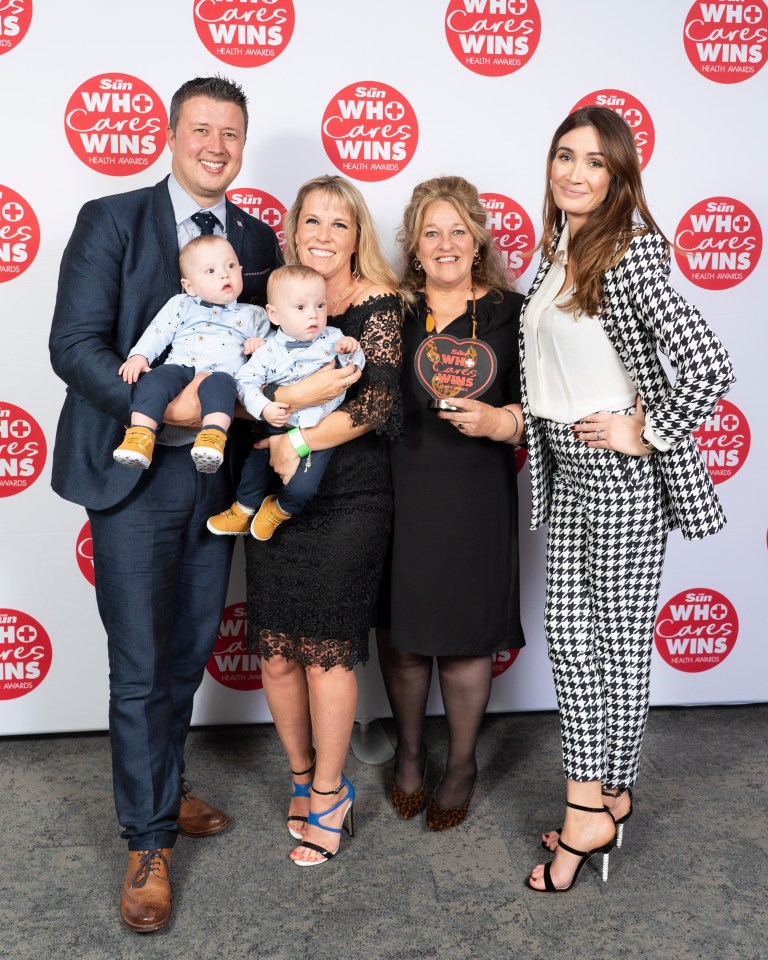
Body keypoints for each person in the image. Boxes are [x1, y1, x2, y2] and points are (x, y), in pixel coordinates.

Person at [48, 76, 282, 932]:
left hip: (211, 480)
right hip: (132, 470)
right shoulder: (111, 220)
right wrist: (171, 408)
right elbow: (74, 345)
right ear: (172, 135)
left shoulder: (255, 236)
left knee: (186, 653)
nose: (216, 145)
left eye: (231, 133)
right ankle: (147, 842)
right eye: (201, 130)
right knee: (142, 663)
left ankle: (165, 786)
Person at [521, 106, 735, 893]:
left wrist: (648, 431)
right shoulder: (556, 249)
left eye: (594, 163)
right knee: (574, 643)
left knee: (612, 644)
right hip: (565, 470)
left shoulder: (633, 253)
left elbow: (708, 366)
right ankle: (610, 795)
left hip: (618, 478)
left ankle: (587, 812)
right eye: (564, 156)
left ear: (619, 177)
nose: (574, 173)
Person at [243, 175, 402, 865]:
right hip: (280, 498)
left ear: (358, 233)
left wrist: (297, 436)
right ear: (293, 228)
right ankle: (302, 777)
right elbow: (248, 388)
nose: (324, 236)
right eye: (312, 221)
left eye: (339, 224)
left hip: (350, 499)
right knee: (276, 653)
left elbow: (374, 408)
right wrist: (288, 404)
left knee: (324, 654)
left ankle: (333, 792)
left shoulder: (378, 307)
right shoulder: (278, 300)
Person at [376, 176, 525, 831]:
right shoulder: (393, 312)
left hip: (474, 499)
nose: (445, 243)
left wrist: (502, 423)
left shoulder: (513, 315)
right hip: (400, 497)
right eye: (431, 231)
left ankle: (462, 764)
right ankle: (409, 754)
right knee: (404, 641)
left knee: (466, 646)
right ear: (413, 242)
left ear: (479, 238)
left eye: (458, 230)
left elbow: (546, 402)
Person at [207, 264, 365, 540]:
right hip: (279, 423)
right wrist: (265, 408)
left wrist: (352, 351)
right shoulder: (269, 350)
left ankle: (280, 509)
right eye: (301, 308)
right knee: (255, 465)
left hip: (318, 428)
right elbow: (244, 383)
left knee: (304, 487)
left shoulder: (334, 338)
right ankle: (243, 510)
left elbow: (353, 372)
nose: (314, 314)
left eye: (319, 305)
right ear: (274, 314)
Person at [113, 234, 270, 472]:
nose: (224, 274)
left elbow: (274, 354)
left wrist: (261, 346)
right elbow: (159, 331)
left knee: (221, 388)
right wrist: (140, 356)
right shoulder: (181, 304)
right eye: (210, 271)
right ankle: (140, 436)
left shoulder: (255, 314)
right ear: (190, 286)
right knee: (154, 380)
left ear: (241, 270)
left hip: (223, 375)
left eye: (230, 266)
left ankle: (213, 438)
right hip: (179, 368)